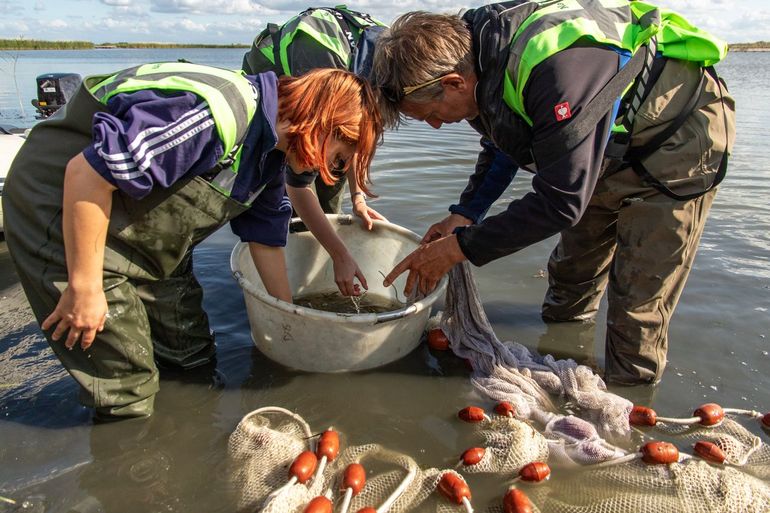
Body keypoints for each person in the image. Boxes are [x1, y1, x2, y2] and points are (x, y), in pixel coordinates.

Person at [373, 1, 735, 385]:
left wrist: (460, 248)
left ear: (453, 83)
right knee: (571, 275)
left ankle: (629, 402)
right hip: (599, 145)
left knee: (636, 301)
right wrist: (466, 213)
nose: (433, 126)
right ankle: (567, 345)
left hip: (674, 143)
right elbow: (505, 139)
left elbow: (561, 201)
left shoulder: (556, 70)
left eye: (428, 114)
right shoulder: (475, 57)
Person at [2, 63, 382, 419]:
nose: (323, 171)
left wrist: (289, 321)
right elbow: (86, 174)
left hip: (149, 240)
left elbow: (265, 239)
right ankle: (131, 465)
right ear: (324, 125)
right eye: (336, 159)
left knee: (192, 355)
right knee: (127, 385)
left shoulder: (274, 154)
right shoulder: (215, 115)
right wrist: (84, 287)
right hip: (63, 210)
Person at [243, 6, 389, 230]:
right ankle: (292, 242)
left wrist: (357, 198)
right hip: (282, 108)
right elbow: (299, 181)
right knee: (286, 203)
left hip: (327, 109)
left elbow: (354, 139)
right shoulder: (319, 54)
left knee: (330, 185)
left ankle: (326, 249)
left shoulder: (388, 68)